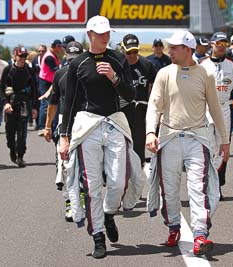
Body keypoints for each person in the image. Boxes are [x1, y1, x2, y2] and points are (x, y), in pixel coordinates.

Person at [58, 15, 139, 259]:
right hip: (88, 125)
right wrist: (64, 136)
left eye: (107, 33)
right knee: (91, 186)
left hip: (114, 122)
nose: (105, 37)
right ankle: (98, 237)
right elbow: (70, 102)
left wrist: (114, 77)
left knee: (119, 181)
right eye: (100, 33)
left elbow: (131, 93)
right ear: (89, 34)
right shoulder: (77, 64)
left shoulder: (117, 58)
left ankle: (108, 213)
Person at [145, 30, 229, 256]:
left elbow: (215, 109)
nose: (169, 51)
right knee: (169, 190)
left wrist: (225, 140)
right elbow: (154, 106)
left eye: (174, 47)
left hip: (197, 138)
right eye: (169, 47)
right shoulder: (164, 73)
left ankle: (200, 235)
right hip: (169, 138)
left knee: (197, 189)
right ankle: (174, 227)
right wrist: (150, 132)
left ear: (188, 49)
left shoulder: (205, 74)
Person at [201, 32, 233, 199]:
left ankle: (217, 185)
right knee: (207, 148)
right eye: (218, 43)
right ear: (212, 44)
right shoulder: (202, 65)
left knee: (223, 149)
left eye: (224, 43)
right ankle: (207, 184)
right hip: (205, 111)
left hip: (224, 110)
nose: (221, 46)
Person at [43, 41, 84, 222]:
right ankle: (70, 202)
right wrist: (47, 126)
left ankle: (84, 198)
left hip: (86, 122)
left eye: (77, 59)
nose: (74, 62)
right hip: (64, 123)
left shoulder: (90, 72)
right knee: (66, 164)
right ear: (66, 57)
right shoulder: (60, 74)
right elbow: (53, 102)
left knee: (86, 164)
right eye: (71, 58)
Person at [120, 33, 157, 166]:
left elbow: (155, 88)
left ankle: (139, 166)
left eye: (135, 51)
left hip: (141, 110)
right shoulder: (118, 66)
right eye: (129, 52)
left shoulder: (147, 65)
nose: (132, 55)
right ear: (122, 50)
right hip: (121, 111)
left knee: (138, 144)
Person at [0, 47, 38, 167]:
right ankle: (12, 150)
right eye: (20, 56)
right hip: (10, 104)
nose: (22, 59)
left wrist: (34, 107)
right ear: (15, 56)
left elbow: (35, 90)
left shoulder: (29, 70)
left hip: (24, 104)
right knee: (10, 133)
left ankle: (20, 156)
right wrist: (5, 102)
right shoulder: (8, 69)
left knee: (22, 132)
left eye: (24, 56)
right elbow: (1, 89)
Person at [37, 39, 63, 136]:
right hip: (45, 81)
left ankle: (48, 125)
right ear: (55, 46)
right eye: (59, 46)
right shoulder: (49, 57)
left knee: (50, 103)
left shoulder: (51, 55)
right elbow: (55, 69)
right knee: (45, 104)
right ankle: (42, 127)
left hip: (49, 81)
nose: (60, 49)